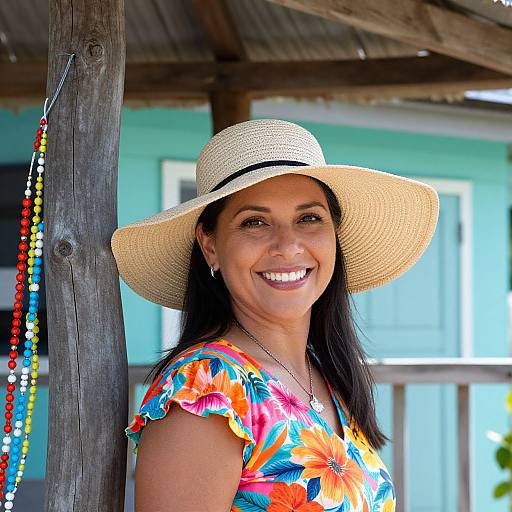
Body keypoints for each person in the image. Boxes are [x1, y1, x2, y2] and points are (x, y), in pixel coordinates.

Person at [110, 118, 439, 511]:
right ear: (210, 245)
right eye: (254, 222)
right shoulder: (208, 390)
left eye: (309, 218)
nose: (287, 245)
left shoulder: (324, 377)